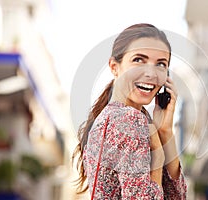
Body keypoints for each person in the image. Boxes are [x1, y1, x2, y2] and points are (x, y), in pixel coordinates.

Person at [73, 23, 187, 199]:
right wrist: (157, 158)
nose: (150, 73)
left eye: (161, 64)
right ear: (114, 67)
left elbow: (176, 196)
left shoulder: (109, 118)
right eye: (139, 60)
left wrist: (164, 131)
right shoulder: (130, 120)